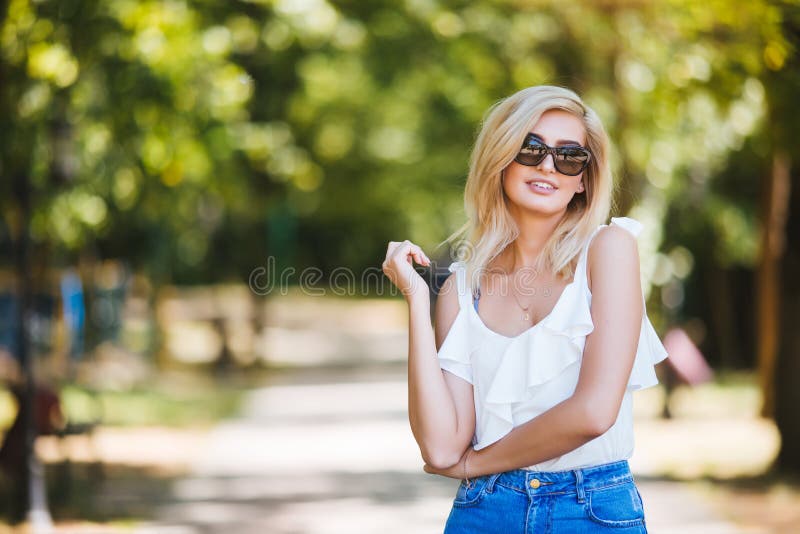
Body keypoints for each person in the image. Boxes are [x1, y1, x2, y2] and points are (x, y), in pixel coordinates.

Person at [382, 85, 669, 533]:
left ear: (584, 180)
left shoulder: (610, 250)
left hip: (591, 511)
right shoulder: (461, 288)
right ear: (500, 158)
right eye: (531, 148)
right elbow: (441, 450)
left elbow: (594, 412)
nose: (549, 166)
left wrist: (476, 462)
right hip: (484, 511)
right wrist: (417, 301)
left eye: (569, 156)